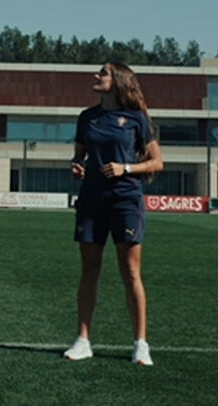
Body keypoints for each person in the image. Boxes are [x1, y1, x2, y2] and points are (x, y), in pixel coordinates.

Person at [63, 61, 163, 366]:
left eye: (102, 73)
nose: (95, 76)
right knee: (89, 271)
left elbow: (157, 162)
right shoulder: (87, 118)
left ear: (118, 80)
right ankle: (83, 341)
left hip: (125, 200)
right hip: (91, 200)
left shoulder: (137, 119)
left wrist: (127, 168)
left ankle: (140, 344)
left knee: (130, 272)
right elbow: (78, 156)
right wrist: (76, 167)